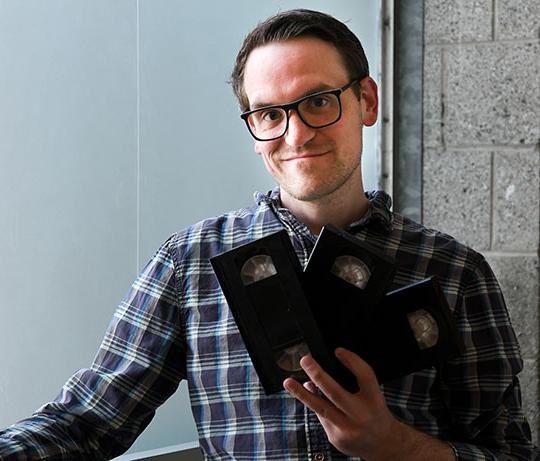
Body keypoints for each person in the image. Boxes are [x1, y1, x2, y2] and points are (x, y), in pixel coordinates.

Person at [0, 8, 538, 460]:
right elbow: (85, 423)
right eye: (268, 113)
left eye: (319, 101)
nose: (296, 133)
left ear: (366, 102)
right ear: (254, 129)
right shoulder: (189, 263)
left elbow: (510, 453)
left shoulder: (453, 271)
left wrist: (395, 444)